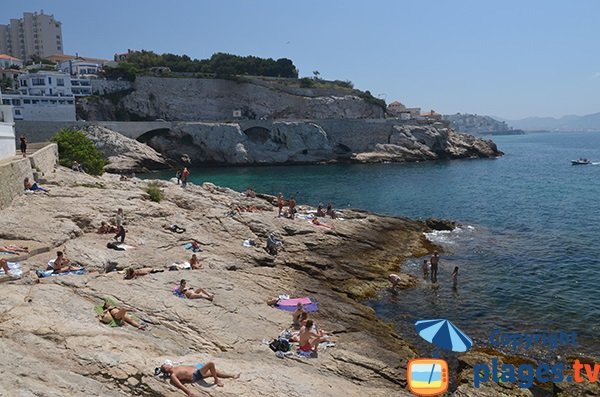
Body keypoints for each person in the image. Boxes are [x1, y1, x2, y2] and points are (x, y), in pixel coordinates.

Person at [159, 359, 240, 394]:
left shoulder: (175, 367)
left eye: (166, 364)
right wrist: (189, 392)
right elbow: (179, 385)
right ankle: (216, 380)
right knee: (211, 364)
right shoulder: (173, 375)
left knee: (214, 371)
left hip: (196, 368)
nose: (167, 364)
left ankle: (232, 375)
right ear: (166, 369)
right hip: (196, 374)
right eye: (166, 365)